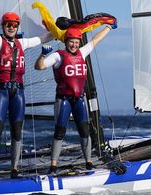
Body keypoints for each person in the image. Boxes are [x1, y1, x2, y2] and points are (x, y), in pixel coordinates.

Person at [0, 0, 53, 181]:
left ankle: (14, 168)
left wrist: (62, 31)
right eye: (8, 24)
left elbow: (44, 38)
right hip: (1, 92)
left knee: (17, 132)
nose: (11, 27)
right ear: (4, 26)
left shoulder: (23, 43)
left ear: (17, 26)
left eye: (14, 25)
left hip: (18, 93)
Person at [35, 22, 117, 174]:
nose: (73, 45)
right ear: (66, 42)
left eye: (76, 42)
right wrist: (42, 55)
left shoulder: (82, 52)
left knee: (84, 131)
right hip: (63, 100)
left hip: (79, 99)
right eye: (71, 42)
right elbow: (39, 67)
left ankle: (88, 162)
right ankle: (53, 165)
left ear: (79, 43)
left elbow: (96, 40)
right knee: (59, 132)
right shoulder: (58, 56)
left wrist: (109, 27)